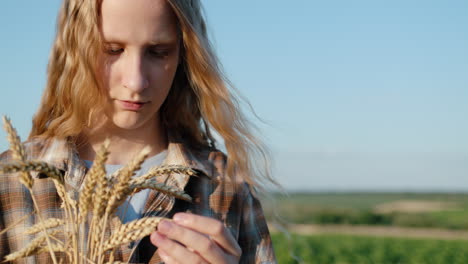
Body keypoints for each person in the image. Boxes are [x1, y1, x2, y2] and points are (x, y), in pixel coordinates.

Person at [0, 0, 277, 263]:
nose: (136, 81)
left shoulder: (224, 185)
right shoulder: (10, 181)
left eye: (158, 52)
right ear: (77, 48)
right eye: (112, 50)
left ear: (184, 54)